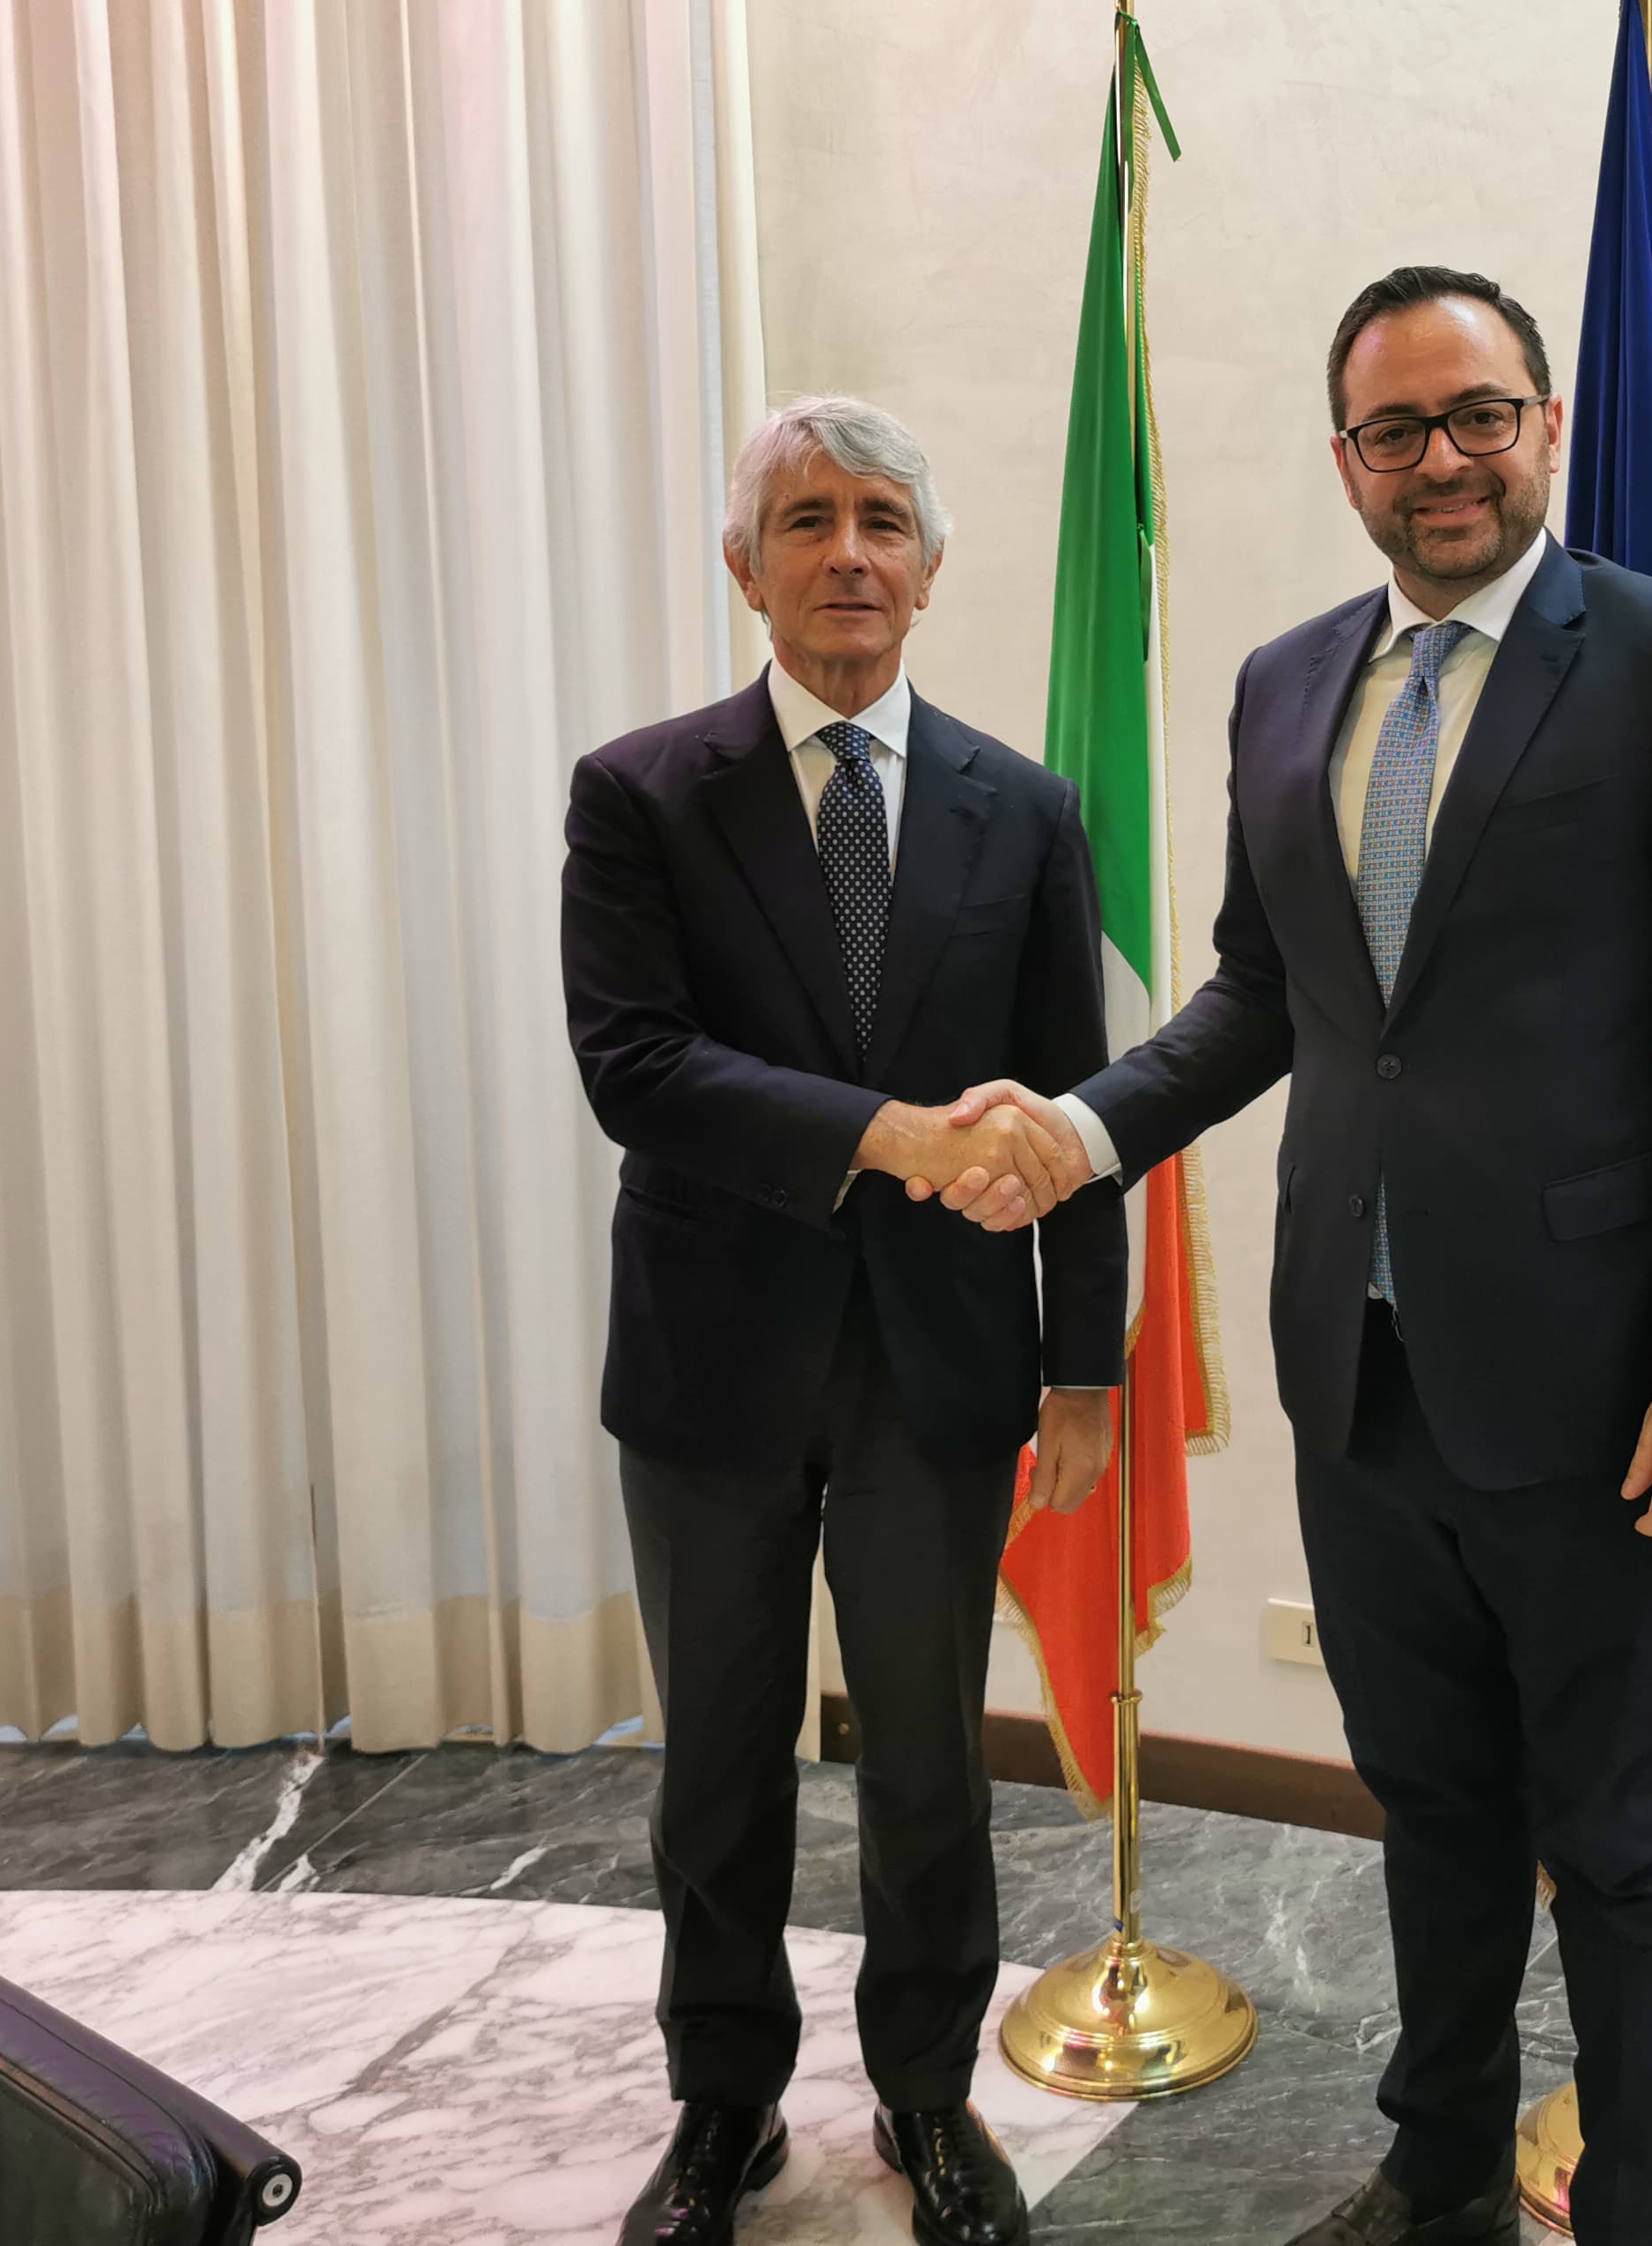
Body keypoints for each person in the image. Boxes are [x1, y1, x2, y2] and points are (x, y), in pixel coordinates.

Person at [947, 268, 1652, 2246]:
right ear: (1346, 456)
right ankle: (1438, 2166)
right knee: (1431, 1803)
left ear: (1544, 424)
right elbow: (1260, 995)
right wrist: (1083, 1131)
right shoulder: (1288, 683)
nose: (1440, 458)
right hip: (1357, 1379)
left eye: (1477, 415)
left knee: (1616, 1830)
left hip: (1603, 1388)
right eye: (1394, 428)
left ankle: (1632, 2207)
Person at [562, 396, 1109, 2246]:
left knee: (932, 1765)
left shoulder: (1027, 811)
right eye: (807, 520)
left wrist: (1085, 1361)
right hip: (710, 1359)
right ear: (747, 566)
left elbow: (1075, 1113)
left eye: (883, 520)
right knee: (719, 1763)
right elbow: (636, 1069)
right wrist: (885, 1135)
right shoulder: (642, 794)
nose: (849, 552)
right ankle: (723, 2108)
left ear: (931, 569)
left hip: (940, 1368)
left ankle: (929, 2098)